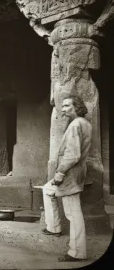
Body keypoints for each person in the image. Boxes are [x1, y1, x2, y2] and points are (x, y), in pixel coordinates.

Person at [42, 95, 92, 262]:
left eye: (66, 106)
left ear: (76, 107)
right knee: (48, 189)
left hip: (70, 173)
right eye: (62, 106)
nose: (62, 109)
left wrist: (60, 173)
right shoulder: (85, 124)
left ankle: (77, 252)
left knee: (73, 212)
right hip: (77, 172)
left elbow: (72, 155)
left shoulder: (76, 125)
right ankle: (54, 227)